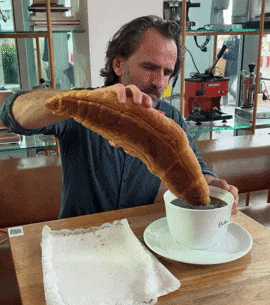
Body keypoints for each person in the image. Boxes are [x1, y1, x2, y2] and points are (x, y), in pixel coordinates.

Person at [0, 15, 238, 218]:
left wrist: (213, 184)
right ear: (118, 64)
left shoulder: (170, 116)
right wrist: (84, 101)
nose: (160, 82)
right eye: (150, 68)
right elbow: (12, 113)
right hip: (78, 240)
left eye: (167, 72)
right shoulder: (84, 107)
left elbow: (196, 166)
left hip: (138, 239)